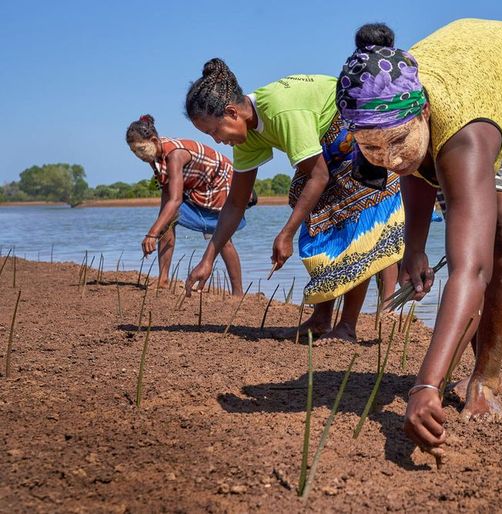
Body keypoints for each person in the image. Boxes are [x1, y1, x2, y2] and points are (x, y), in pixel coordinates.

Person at [336, 20, 502, 453]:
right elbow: (414, 162)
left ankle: (487, 373)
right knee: (443, 187)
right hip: (472, 77)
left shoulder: (462, 134)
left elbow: (471, 269)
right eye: (371, 147)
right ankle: (459, 360)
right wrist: (413, 248)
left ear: (425, 112)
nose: (388, 158)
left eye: (396, 139)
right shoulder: (380, 105)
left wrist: (425, 386)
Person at [183, 58, 404, 342]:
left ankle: (346, 326)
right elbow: (236, 202)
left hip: (351, 130)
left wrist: (286, 233)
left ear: (232, 112)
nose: (215, 140)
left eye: (214, 131)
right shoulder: (246, 136)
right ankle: (322, 319)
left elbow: (319, 176)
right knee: (314, 215)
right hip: (325, 147)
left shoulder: (280, 110)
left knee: (354, 225)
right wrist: (208, 259)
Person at [125, 114, 246, 295]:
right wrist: (160, 225)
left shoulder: (175, 155)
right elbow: (168, 195)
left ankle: (238, 293)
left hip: (220, 184)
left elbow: (175, 200)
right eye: (134, 152)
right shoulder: (155, 158)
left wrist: (152, 233)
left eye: (141, 149)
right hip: (198, 187)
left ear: (154, 140)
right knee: (167, 221)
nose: (139, 155)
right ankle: (163, 279)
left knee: (222, 236)